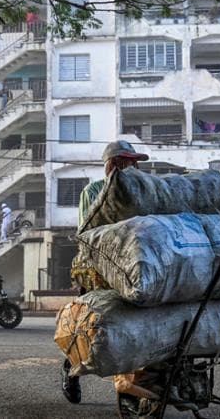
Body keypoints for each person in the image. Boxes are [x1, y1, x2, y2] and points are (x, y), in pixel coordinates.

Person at [61, 140, 149, 404]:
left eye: (134, 163)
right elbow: (90, 232)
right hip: (97, 270)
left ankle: (132, 385)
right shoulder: (94, 191)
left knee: (131, 326)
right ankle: (71, 372)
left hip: (130, 268)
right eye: (126, 162)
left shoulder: (141, 192)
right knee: (87, 326)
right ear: (112, 164)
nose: (132, 167)